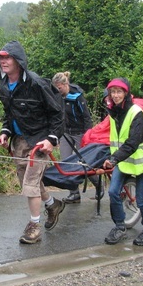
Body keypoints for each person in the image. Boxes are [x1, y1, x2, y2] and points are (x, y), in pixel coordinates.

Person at [0, 41, 65, 244]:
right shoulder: (3, 84)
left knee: (30, 185)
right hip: (19, 141)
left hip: (39, 140)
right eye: (1, 58)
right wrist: (5, 131)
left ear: (18, 61)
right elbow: (9, 113)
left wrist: (52, 139)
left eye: (7, 57)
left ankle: (34, 226)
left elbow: (57, 113)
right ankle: (52, 204)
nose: (3, 61)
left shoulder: (36, 83)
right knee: (28, 183)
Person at [101, 78, 143, 246]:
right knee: (113, 192)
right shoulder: (113, 112)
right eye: (112, 92)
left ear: (126, 93)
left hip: (140, 161)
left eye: (119, 92)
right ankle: (119, 227)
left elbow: (132, 142)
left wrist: (114, 158)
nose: (115, 95)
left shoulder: (136, 113)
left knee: (142, 199)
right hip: (123, 162)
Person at [51, 71, 102, 203]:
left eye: (59, 87)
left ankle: (98, 185)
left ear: (65, 84)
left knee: (84, 162)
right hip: (66, 132)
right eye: (55, 87)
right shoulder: (57, 97)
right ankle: (74, 194)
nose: (57, 90)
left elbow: (87, 117)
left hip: (80, 132)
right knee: (66, 162)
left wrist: (88, 135)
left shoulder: (78, 96)